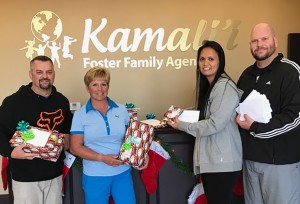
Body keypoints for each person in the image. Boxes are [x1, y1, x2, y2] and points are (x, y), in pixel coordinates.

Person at [168, 40, 243, 204]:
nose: (205, 63)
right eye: (202, 59)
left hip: (222, 164)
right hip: (214, 162)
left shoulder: (224, 87)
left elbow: (214, 123)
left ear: (220, 61)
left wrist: (181, 124)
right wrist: (180, 113)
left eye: (211, 59)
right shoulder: (213, 87)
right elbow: (205, 113)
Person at [236, 23, 300, 204]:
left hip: (280, 163)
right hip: (250, 161)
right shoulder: (246, 75)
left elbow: (295, 117)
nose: (259, 44)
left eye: (264, 39)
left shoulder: (290, 71)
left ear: (275, 40)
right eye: (254, 41)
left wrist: (256, 127)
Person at [0, 55, 73, 204]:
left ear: (54, 74)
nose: (45, 76)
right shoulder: (13, 102)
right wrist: (10, 152)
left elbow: (68, 130)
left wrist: (68, 139)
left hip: (54, 176)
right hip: (25, 178)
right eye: (39, 72)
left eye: (49, 72)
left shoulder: (62, 101)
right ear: (31, 74)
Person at [70, 67, 138, 204]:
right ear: (87, 88)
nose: (99, 89)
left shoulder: (121, 110)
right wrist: (101, 158)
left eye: (103, 84)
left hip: (122, 172)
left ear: (108, 86)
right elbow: (75, 147)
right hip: (95, 175)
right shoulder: (80, 115)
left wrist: (141, 155)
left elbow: (131, 138)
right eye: (94, 84)